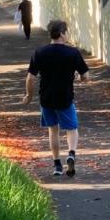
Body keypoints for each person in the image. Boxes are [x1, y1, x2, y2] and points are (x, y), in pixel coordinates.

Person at [22, 19, 89, 177]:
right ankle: (71, 154)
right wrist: (79, 77)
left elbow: (30, 78)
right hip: (65, 97)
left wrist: (28, 96)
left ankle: (57, 165)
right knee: (72, 129)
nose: (67, 35)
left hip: (46, 98)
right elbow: (86, 76)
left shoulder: (40, 52)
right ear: (61, 34)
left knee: (53, 130)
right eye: (66, 32)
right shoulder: (73, 53)